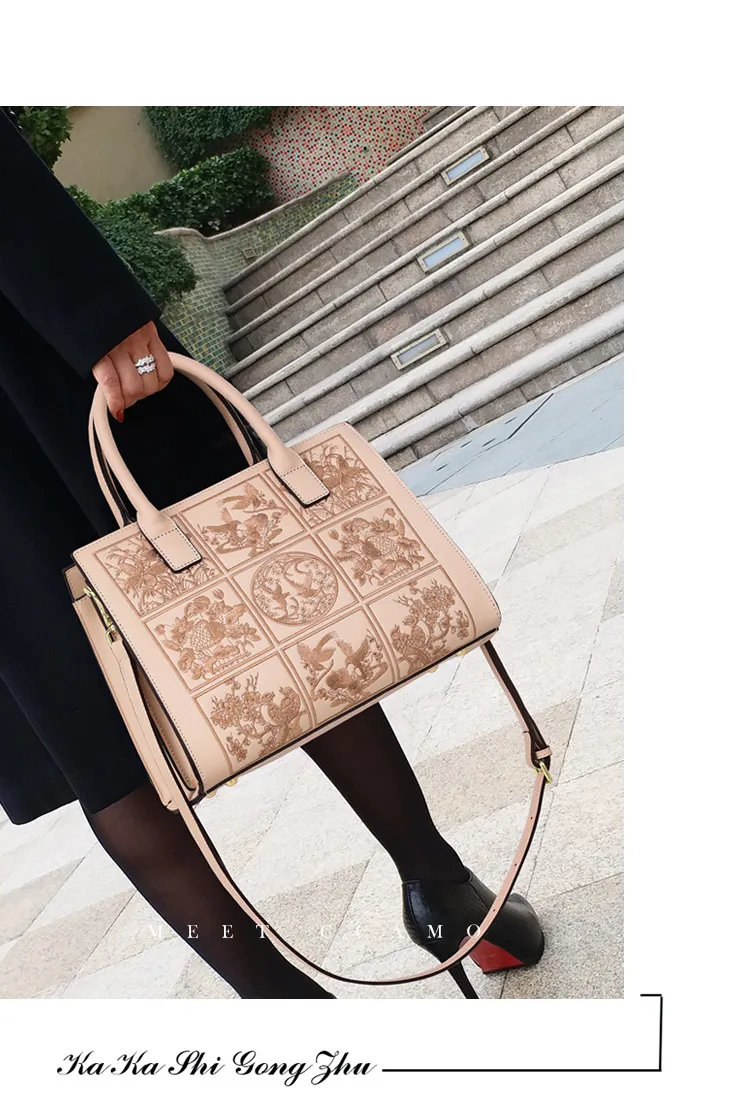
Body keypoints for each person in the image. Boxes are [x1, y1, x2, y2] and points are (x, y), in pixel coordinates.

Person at [0, 109, 543, 999]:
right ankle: (439, 886)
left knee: (91, 727)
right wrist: (91, 310)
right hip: (33, 349)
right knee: (258, 598)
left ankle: (284, 1004)